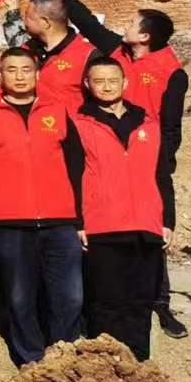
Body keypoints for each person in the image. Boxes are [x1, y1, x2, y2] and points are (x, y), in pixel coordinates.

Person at [30, 0, 189, 338]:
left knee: (151, 232)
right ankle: (99, 311)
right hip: (105, 144)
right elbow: (86, 20)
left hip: (145, 151)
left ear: (146, 36)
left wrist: (159, 161)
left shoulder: (172, 72)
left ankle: (160, 304)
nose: (125, 26)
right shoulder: (117, 53)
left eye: (133, 23)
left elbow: (171, 125)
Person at [0, 47, 83, 366]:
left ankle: (63, 356)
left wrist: (80, 217)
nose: (20, 76)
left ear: (37, 74)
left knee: (69, 295)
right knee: (21, 297)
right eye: (11, 70)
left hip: (60, 218)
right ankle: (31, 359)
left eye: (26, 70)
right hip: (10, 220)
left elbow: (77, 165)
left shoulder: (58, 110)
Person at [72, 53, 173, 362]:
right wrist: (78, 222)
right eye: (99, 81)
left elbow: (162, 175)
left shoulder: (149, 124)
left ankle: (137, 365)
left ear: (125, 83)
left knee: (141, 300)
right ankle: (105, 366)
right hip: (103, 225)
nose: (106, 86)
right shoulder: (79, 124)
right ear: (88, 84)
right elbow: (73, 176)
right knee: (106, 301)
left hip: (146, 224)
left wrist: (167, 220)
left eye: (113, 80)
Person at [20, 0, 91, 118]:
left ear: (45, 22)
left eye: (28, 17)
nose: (24, 22)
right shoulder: (26, 50)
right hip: (32, 125)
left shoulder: (86, 55)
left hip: (71, 127)